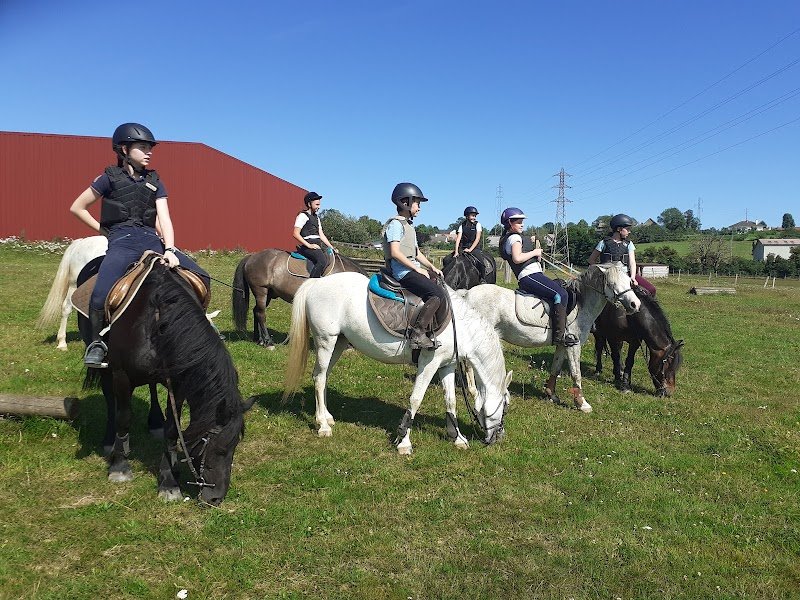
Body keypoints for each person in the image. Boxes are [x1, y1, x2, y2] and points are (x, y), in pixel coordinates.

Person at [70, 122, 210, 368]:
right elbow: (77, 208)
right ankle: (96, 344)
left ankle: (198, 328)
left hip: (152, 240)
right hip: (122, 243)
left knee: (202, 276)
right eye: (142, 147)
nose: (149, 152)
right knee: (100, 293)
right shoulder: (107, 179)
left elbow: (164, 219)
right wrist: (105, 231)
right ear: (124, 149)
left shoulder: (156, 181)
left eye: (150, 148)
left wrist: (170, 248)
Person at [499, 207, 579, 347]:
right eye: (518, 222)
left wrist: (536, 255)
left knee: (561, 285)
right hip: (528, 276)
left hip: (534, 274)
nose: (522, 224)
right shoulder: (514, 238)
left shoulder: (515, 237)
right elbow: (517, 258)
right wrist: (535, 252)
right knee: (561, 294)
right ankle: (559, 337)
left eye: (522, 221)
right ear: (509, 223)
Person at [382, 182, 446, 350]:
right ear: (405, 202)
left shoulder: (409, 225)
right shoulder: (395, 224)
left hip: (411, 268)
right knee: (435, 295)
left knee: (438, 283)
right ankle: (417, 334)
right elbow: (395, 252)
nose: (419, 207)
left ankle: (432, 328)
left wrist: (431, 267)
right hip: (403, 272)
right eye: (417, 203)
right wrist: (416, 269)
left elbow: (416, 253)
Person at [588, 213, 656, 296]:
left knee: (651, 289)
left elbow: (632, 262)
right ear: (619, 229)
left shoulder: (629, 244)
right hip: (609, 276)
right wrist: (601, 271)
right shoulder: (603, 243)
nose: (629, 232)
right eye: (627, 229)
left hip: (626, 274)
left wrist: (633, 277)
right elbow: (591, 259)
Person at [293, 191, 336, 278]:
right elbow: (295, 233)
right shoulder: (302, 216)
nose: (319, 207)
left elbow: (321, 235)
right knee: (322, 261)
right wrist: (309, 245)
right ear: (309, 204)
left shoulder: (317, 218)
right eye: (317, 204)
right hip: (308, 245)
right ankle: (311, 284)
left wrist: (332, 247)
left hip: (318, 244)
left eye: (319, 204)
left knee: (330, 258)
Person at [453, 206, 487, 282]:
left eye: (475, 216)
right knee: (448, 259)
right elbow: (458, 239)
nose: (474, 217)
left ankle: (482, 278)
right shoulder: (462, 226)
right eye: (472, 216)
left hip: (474, 248)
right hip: (463, 247)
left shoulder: (477, 225)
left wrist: (470, 249)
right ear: (467, 216)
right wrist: (456, 252)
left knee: (480, 262)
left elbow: (477, 238)